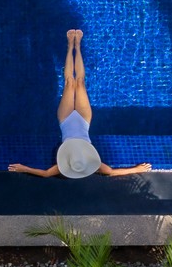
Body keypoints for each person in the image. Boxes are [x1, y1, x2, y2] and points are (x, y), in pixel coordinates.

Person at [9, 29, 152, 179]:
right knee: (80, 83)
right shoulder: (91, 164)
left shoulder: (67, 165)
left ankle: (70, 46)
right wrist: (136, 169)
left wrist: (23, 168)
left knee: (69, 83)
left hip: (65, 120)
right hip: (84, 120)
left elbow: (45, 174)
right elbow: (111, 172)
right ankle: (77, 46)